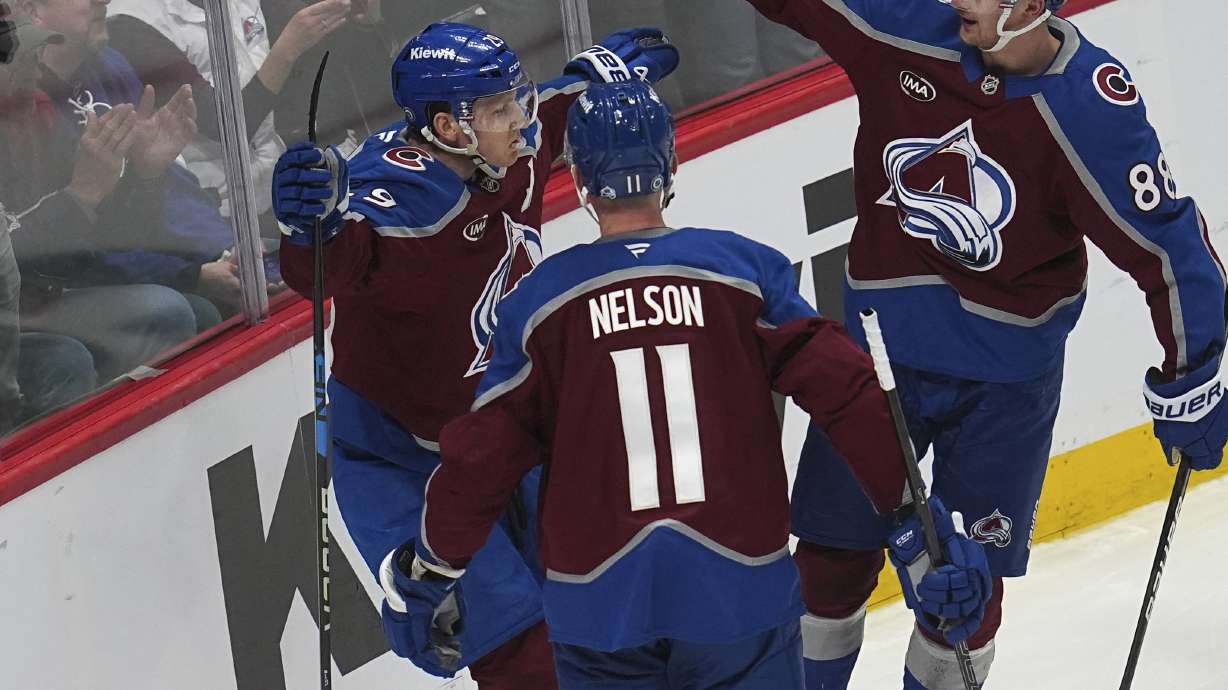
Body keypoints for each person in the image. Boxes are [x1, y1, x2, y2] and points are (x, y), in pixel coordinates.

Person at [397, 80, 990, 689]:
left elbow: (480, 461)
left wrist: (433, 565)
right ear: (669, 164)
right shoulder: (744, 275)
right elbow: (850, 395)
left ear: (577, 179)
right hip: (740, 594)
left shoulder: (540, 307)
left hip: (600, 611)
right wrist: (920, 523)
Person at [743, 1, 1228, 688]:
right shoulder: (904, 25)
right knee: (830, 559)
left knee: (965, 593)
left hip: (1005, 388)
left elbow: (1168, 244)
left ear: (1031, 5)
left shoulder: (1085, 106)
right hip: (880, 366)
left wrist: (1194, 372)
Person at [271, 21, 680, 688]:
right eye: (498, 110)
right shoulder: (403, 199)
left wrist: (596, 80)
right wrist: (304, 225)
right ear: (448, 127)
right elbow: (326, 264)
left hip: (506, 436)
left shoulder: (507, 141)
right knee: (524, 657)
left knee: (610, 612)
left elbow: (555, 102)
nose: (520, 121)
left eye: (515, 99)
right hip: (406, 461)